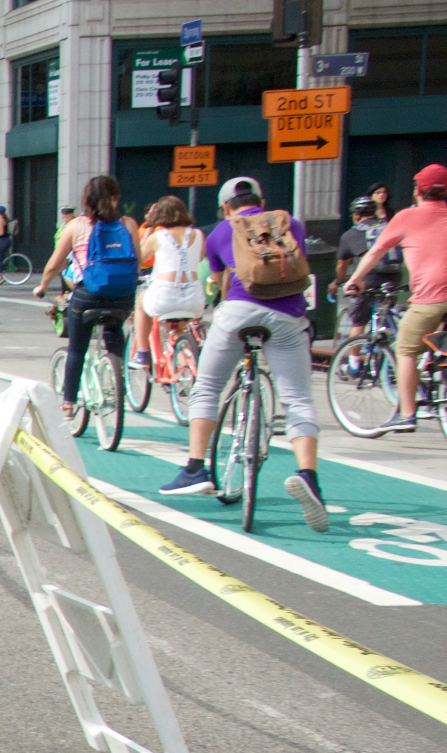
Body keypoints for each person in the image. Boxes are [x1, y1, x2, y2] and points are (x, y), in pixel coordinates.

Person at [158, 177, 328, 528]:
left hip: (239, 311)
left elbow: (220, 284)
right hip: (288, 315)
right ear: (261, 201)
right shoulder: (289, 222)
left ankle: (195, 468)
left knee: (207, 387)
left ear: (226, 207)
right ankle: (308, 475)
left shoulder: (222, 230)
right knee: (297, 399)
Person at [341, 161, 447, 435]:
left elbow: (375, 252)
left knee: (406, 349)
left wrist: (355, 280)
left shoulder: (405, 218)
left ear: (418, 192)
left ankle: (407, 414)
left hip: (431, 298)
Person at [36, 175, 144, 423]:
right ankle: (117, 378)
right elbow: (137, 259)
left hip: (88, 296)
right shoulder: (128, 224)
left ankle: (68, 404)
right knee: (114, 331)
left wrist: (42, 286)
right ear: (116, 198)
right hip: (123, 297)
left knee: (77, 349)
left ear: (86, 200)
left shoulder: (75, 226)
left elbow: (55, 264)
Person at [132, 196, 206, 373]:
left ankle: (142, 354)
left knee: (141, 304)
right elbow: (200, 257)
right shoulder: (198, 234)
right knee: (180, 327)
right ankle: (184, 363)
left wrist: (149, 228)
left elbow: (138, 259)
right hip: (195, 297)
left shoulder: (158, 236)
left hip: (165, 295)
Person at [334, 196, 399, 342]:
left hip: (368, 279)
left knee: (358, 322)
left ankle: (354, 362)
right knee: (385, 313)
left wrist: (339, 282)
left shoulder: (350, 234)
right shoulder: (388, 226)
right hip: (394, 276)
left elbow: (342, 265)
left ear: (356, 215)